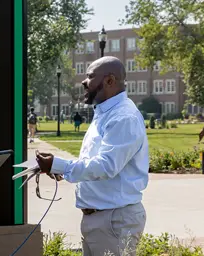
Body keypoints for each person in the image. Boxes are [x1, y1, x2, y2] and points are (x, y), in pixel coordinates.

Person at [35, 56, 149, 256]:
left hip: (114, 220)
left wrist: (60, 165)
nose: (83, 82)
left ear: (110, 81)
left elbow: (106, 166)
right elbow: (94, 161)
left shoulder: (123, 117)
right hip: (101, 219)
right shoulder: (105, 112)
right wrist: (59, 168)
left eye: (90, 76)